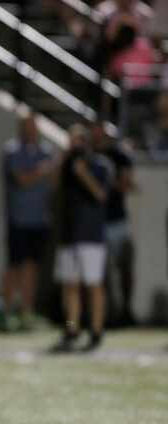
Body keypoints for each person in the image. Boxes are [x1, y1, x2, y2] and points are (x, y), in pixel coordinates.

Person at [52, 124, 113, 353]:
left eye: (78, 141)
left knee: (93, 286)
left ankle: (96, 331)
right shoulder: (67, 166)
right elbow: (54, 185)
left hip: (91, 236)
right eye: (71, 140)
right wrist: (64, 163)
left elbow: (100, 194)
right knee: (70, 287)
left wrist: (83, 173)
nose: (74, 145)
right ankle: (71, 329)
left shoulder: (100, 165)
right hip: (69, 235)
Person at [0, 114, 56, 332]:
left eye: (34, 127)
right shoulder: (12, 150)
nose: (31, 131)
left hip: (39, 219)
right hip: (18, 218)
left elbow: (53, 180)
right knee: (13, 267)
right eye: (28, 127)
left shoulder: (46, 151)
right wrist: (42, 171)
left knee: (32, 267)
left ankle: (26, 313)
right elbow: (22, 180)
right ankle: (6, 313)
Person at [91, 123, 137, 327]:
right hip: (96, 221)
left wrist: (109, 182)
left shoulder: (119, 156)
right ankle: (106, 315)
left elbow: (126, 185)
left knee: (124, 269)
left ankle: (125, 311)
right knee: (100, 273)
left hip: (118, 221)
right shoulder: (88, 156)